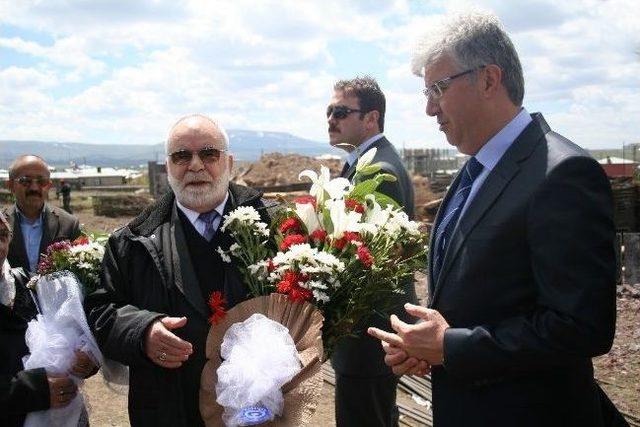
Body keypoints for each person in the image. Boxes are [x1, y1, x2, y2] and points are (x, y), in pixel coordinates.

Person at [367, 12, 620, 427]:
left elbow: (582, 327)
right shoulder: (473, 171)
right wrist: (429, 348)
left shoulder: (561, 173)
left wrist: (451, 346)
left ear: (488, 79)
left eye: (438, 88)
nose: (429, 108)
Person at [85, 114, 276, 427]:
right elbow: (101, 311)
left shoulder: (276, 229)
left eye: (209, 154)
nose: (196, 165)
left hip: (255, 409)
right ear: (168, 167)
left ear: (229, 163)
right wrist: (142, 331)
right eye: (182, 156)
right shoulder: (131, 240)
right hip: (168, 408)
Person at [327, 76, 416, 427]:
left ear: (371, 118)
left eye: (340, 111)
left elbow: (378, 261)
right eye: (329, 111)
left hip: (368, 332)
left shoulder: (380, 170)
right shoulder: (364, 161)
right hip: (365, 334)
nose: (330, 119)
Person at [0, 211, 96, 427]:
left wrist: (85, 358)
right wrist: (33, 389)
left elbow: (64, 332)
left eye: (2, 235)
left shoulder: (28, 284)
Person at [4, 155, 81, 272]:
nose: (34, 188)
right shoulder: (2, 223)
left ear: (49, 186)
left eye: (42, 182)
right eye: (25, 181)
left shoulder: (69, 224)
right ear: (10, 186)